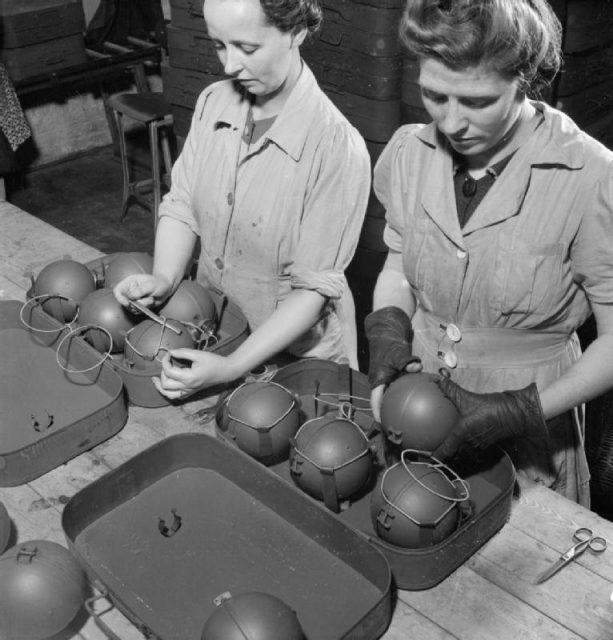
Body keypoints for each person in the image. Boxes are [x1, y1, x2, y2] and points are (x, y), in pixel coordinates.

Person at [365, 0, 613, 506]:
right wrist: (389, 331)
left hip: (531, 428)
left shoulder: (591, 178)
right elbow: (397, 267)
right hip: (420, 409)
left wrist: (520, 411)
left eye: (476, 102)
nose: (452, 122)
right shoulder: (409, 153)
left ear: (524, 81)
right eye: (435, 95)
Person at [114, 0, 370, 399]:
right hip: (215, 334)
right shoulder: (213, 103)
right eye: (219, 45)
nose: (229, 65)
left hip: (298, 364)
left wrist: (232, 367)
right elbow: (183, 205)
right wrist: (164, 279)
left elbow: (312, 290)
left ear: (296, 32)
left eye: (247, 49)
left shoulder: (336, 147)